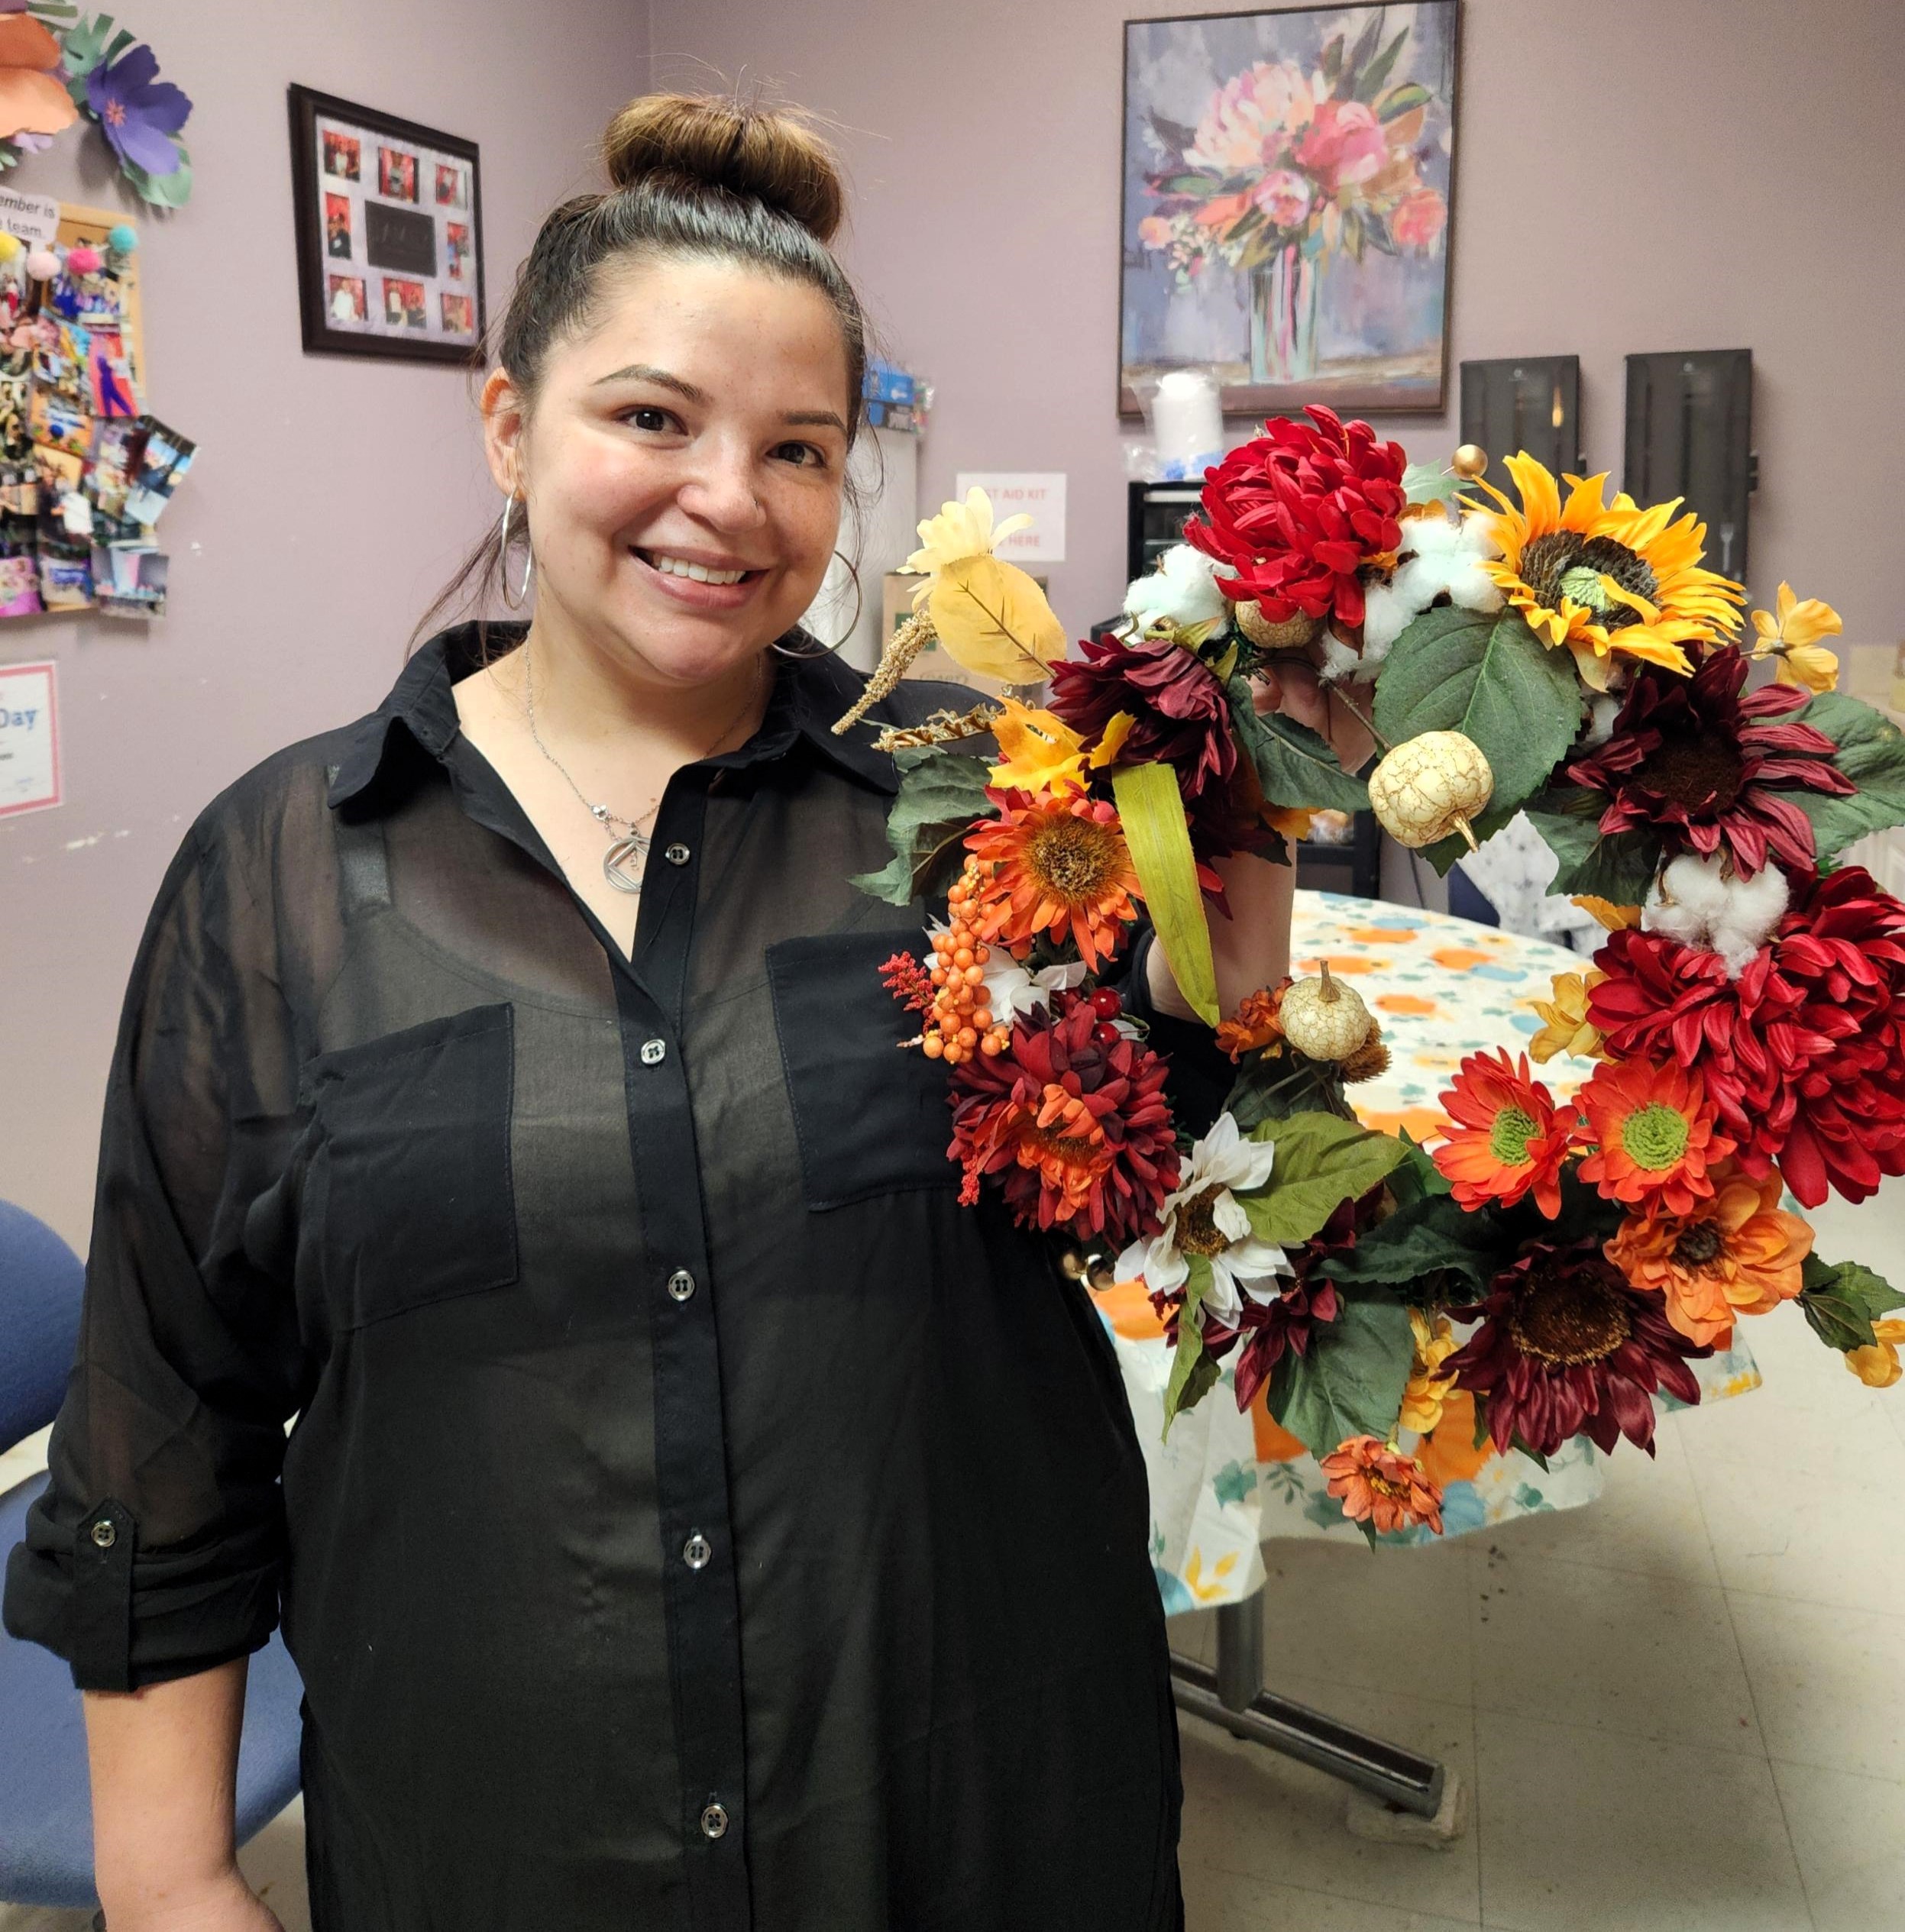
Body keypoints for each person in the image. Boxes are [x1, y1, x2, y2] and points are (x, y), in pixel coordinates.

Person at [3, 91, 1364, 1932]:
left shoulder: (971, 804)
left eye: (799, 448)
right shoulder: (283, 874)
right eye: (650, 417)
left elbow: (1146, 1118)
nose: (728, 499)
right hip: (504, 1842)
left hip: (964, 1806)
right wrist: (169, 1875)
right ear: (506, 425)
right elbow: (171, 1404)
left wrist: (1258, 801)